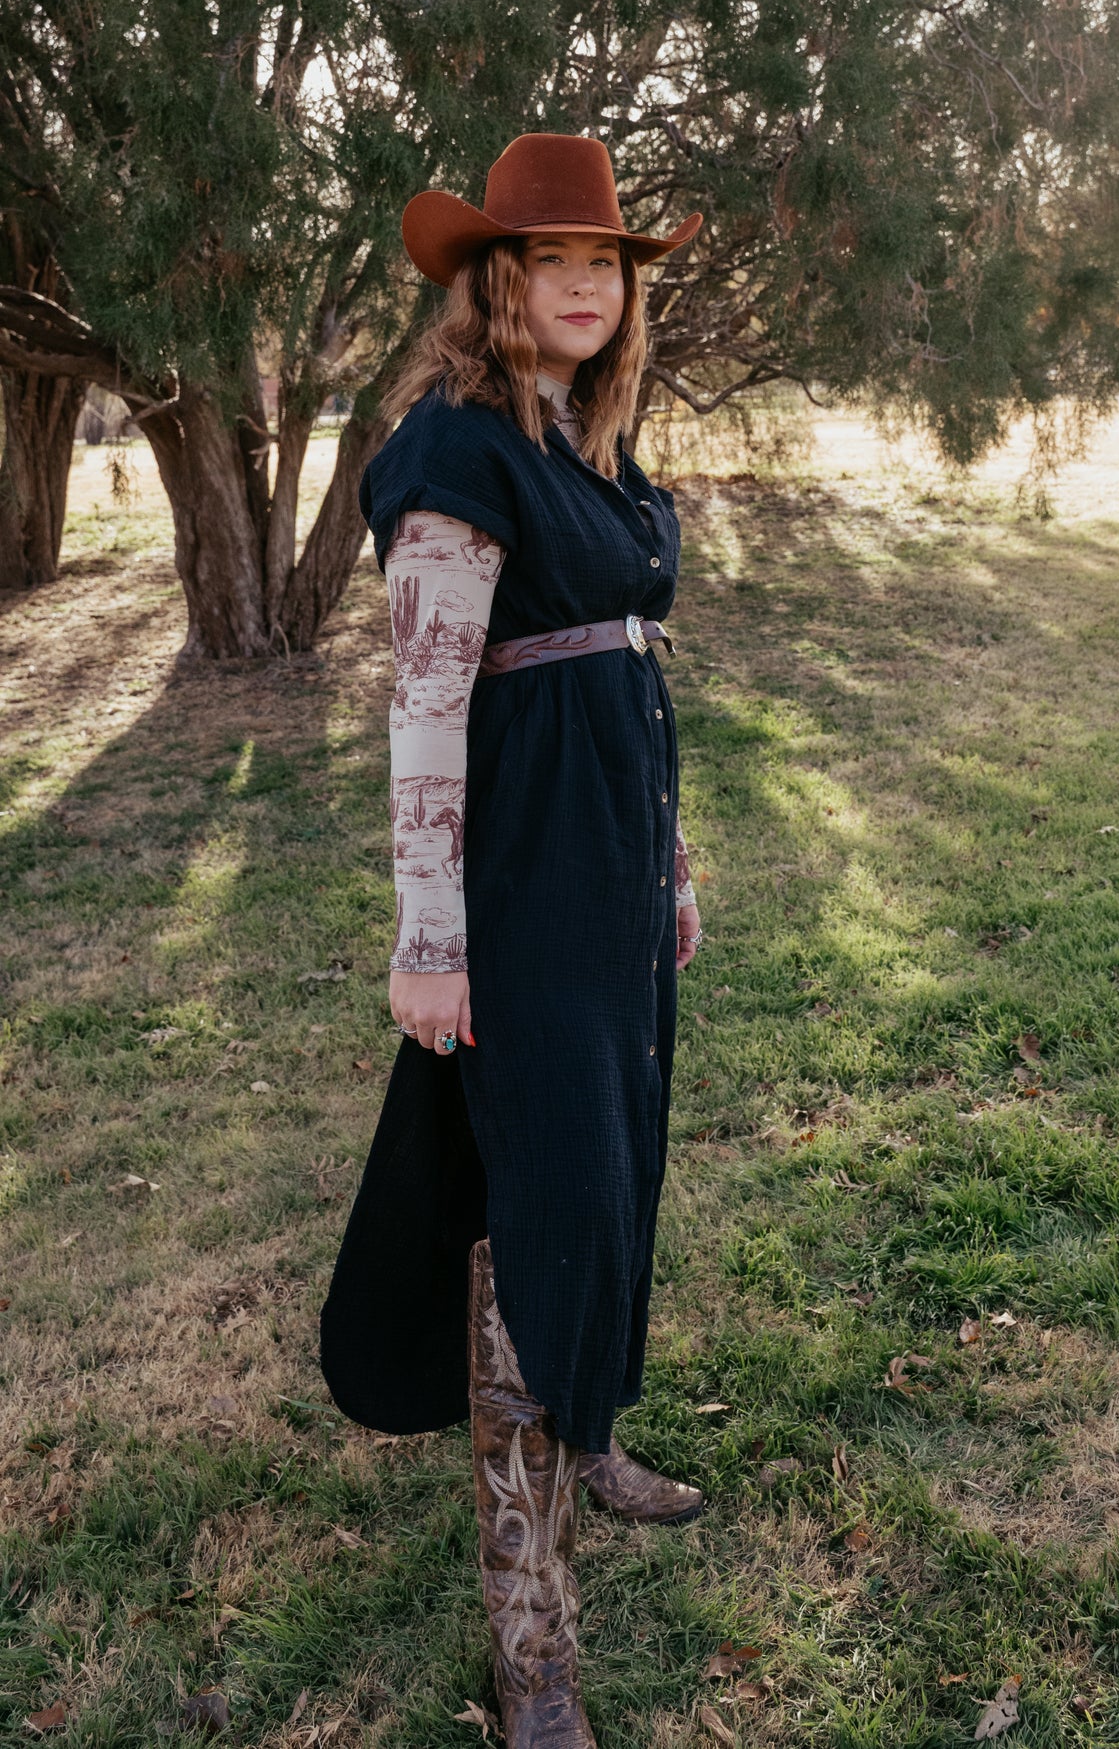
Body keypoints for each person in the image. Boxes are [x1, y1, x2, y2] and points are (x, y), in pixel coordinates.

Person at [321, 134, 706, 1749]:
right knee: (528, 1210)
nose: (583, 282)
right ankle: (527, 1643)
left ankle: (594, 1427)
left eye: (606, 262)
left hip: (610, 873)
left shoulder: (591, 451)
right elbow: (424, 704)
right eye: (552, 258)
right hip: (517, 883)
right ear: (494, 278)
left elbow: (622, 670)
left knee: (615, 1174)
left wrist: (670, 856)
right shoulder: (459, 448)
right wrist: (428, 935)